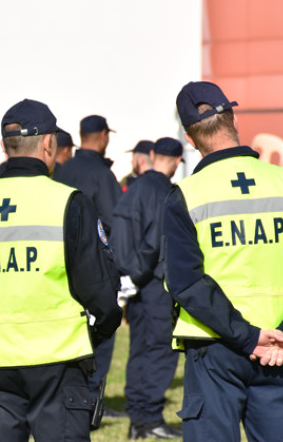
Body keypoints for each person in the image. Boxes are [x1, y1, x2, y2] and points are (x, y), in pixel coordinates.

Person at [0, 99, 122, 441]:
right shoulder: (69, 202)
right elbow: (101, 291)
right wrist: (93, 336)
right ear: (50, 143)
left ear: (4, 146)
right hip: (58, 362)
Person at [164, 81, 283, 441]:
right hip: (282, 344)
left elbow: (187, 282)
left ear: (190, 139)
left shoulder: (186, 195)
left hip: (214, 347)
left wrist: (249, 337)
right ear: (234, 118)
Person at [111, 137, 183, 439]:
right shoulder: (166, 192)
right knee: (160, 351)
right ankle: (149, 418)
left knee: (139, 350)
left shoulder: (134, 187)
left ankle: (138, 417)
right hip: (155, 283)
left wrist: (126, 278)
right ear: (178, 161)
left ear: (153, 155)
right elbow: (155, 242)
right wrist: (139, 275)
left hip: (135, 284)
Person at [53, 114, 123, 416]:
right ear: (104, 136)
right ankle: (92, 403)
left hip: (57, 267)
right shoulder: (101, 174)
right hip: (93, 268)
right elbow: (113, 223)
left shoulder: (61, 169)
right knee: (100, 338)